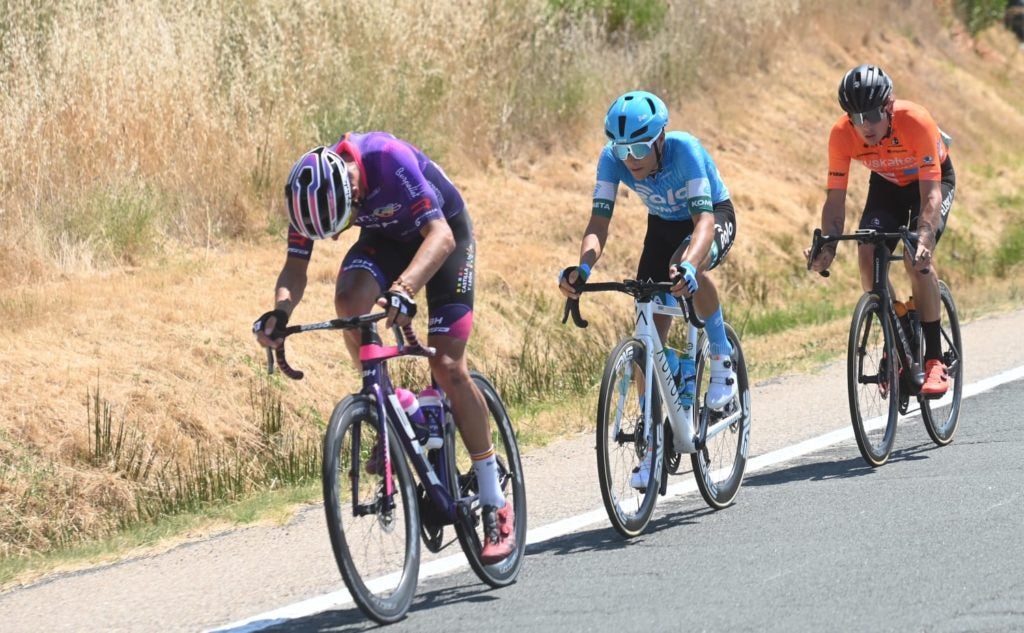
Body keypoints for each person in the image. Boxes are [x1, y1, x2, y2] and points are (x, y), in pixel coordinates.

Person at [253, 133, 514, 563]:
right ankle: (392, 406)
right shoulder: (310, 193)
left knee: (447, 365)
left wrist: (406, 288)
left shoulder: (386, 159)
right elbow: (295, 267)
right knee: (350, 301)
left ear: (352, 191)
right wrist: (279, 314)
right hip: (387, 240)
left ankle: (492, 499)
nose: (334, 240)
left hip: (443, 237)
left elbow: (441, 237)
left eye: (339, 227)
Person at [558, 90, 739, 488]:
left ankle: (722, 360)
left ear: (659, 138)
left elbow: (704, 223)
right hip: (661, 227)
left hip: (709, 219)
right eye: (622, 150)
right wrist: (583, 268)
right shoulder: (613, 160)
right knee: (647, 337)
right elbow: (598, 224)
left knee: (685, 268)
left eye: (640, 147)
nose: (632, 159)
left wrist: (691, 265)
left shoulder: (684, 149)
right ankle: (653, 444)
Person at [807, 64, 956, 396]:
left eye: (872, 115)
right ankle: (898, 324)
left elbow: (931, 194)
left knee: (915, 259)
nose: (865, 125)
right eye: (855, 117)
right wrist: (827, 245)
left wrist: (925, 236)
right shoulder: (841, 134)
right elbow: (835, 199)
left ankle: (934, 359)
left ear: (888, 107)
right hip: (887, 185)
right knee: (867, 252)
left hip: (931, 182)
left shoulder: (916, 121)